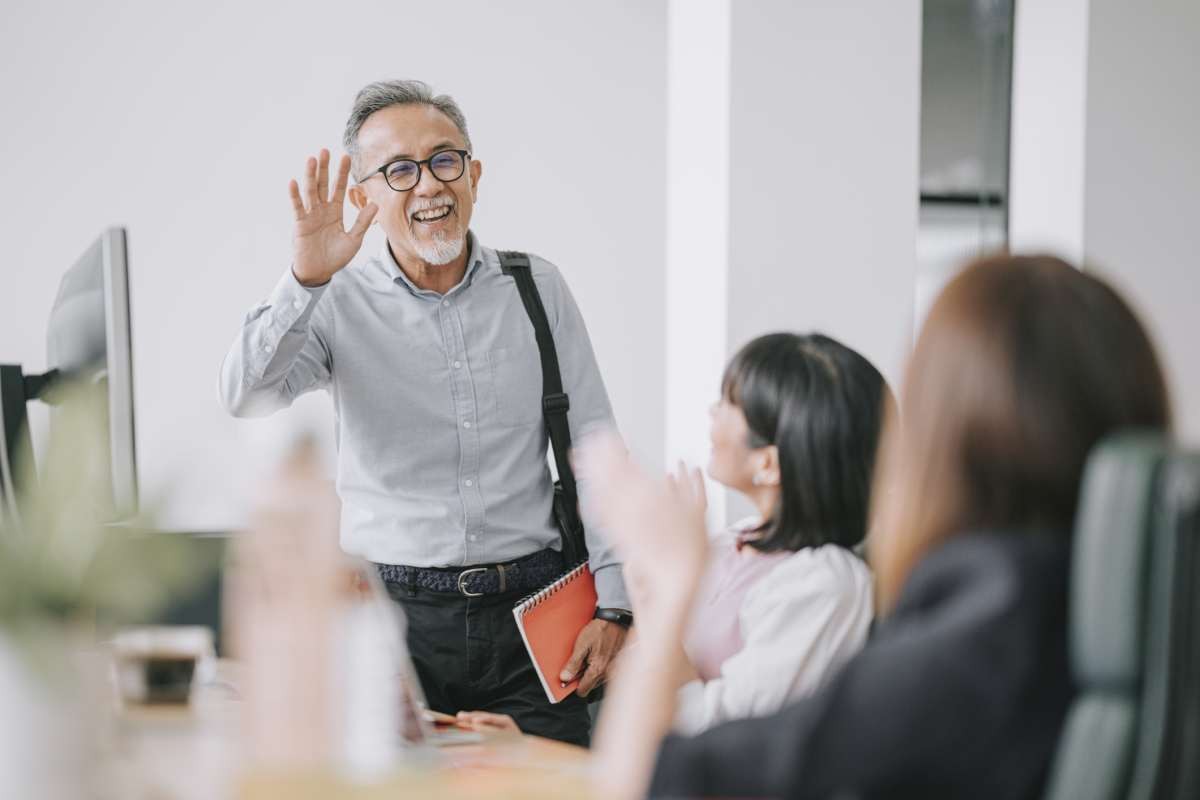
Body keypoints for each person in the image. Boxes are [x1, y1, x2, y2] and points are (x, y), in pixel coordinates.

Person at [584, 254, 1172, 798]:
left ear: (940, 438)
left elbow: (643, 780)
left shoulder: (957, 659)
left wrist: (673, 580)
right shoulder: (1134, 617)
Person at [219, 80, 629, 746]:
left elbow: (597, 447)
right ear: (364, 197)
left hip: (535, 618)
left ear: (474, 173)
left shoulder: (536, 288)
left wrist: (617, 606)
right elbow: (246, 393)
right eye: (399, 172)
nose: (430, 185)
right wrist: (304, 280)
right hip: (390, 623)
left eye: (445, 160)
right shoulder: (335, 301)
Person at [457, 332, 886, 737]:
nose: (712, 413)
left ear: (769, 464)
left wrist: (669, 581)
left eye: (730, 404)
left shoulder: (825, 584)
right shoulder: (732, 543)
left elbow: (725, 732)